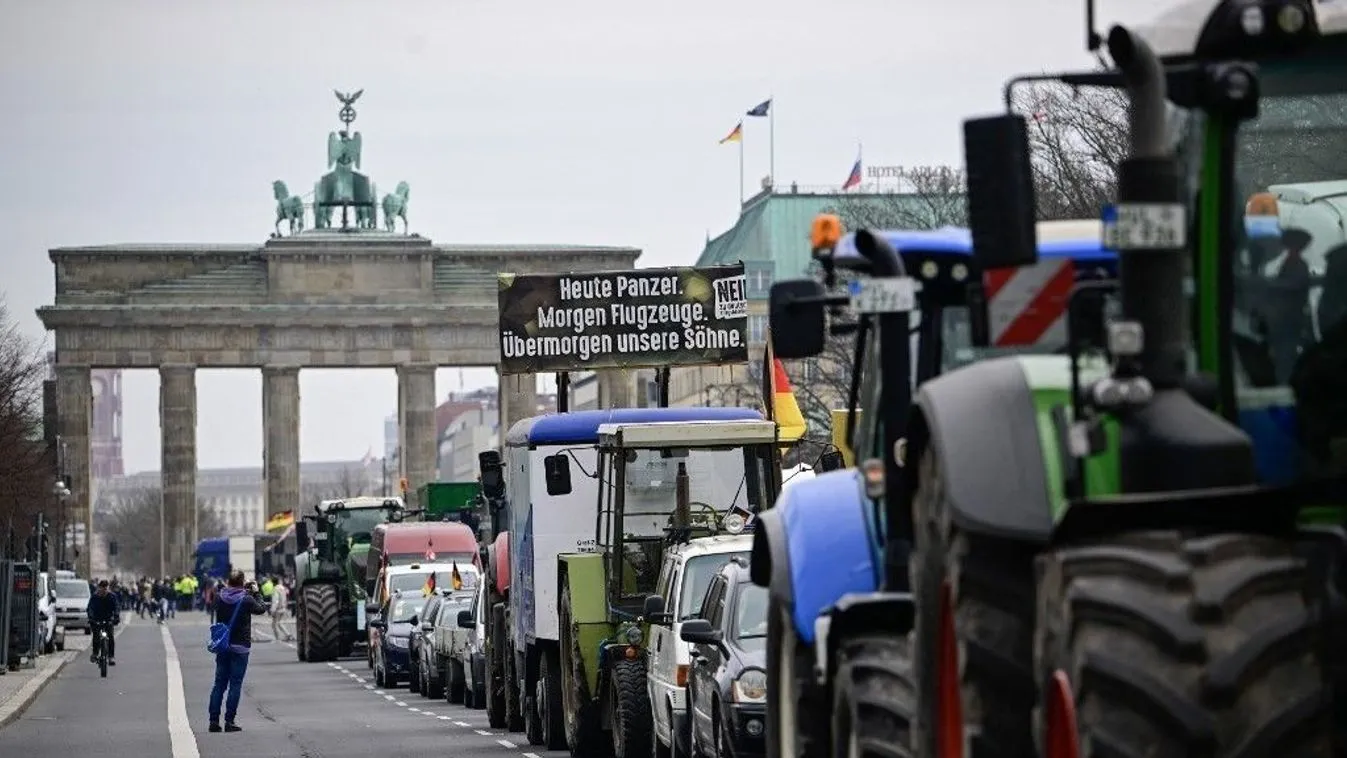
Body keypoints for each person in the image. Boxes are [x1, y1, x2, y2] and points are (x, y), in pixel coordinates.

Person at [208, 571, 269, 733]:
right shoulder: (246, 599)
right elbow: (261, 609)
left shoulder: (219, 597)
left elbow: (212, 606)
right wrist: (255, 592)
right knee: (235, 684)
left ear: (228, 581)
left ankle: (213, 721)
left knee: (219, 684)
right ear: (242, 582)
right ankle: (229, 721)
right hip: (241, 646)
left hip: (223, 645)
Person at [86, 580, 121, 665]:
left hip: (108, 619)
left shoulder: (112, 596)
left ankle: (111, 656)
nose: (104, 591)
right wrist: (91, 618)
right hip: (97, 619)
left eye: (106, 589)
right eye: (102, 588)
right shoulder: (95, 597)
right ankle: (95, 653)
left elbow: (116, 607)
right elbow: (90, 608)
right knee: (96, 637)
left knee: (111, 637)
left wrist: (116, 616)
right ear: (99, 588)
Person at [268, 576, 293, 642]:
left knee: (274, 624)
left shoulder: (275, 589)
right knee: (279, 623)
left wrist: (272, 610)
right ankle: (288, 634)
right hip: (283, 607)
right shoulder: (283, 588)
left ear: (273, 583)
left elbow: (275, 601)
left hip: (277, 609)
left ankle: (277, 638)